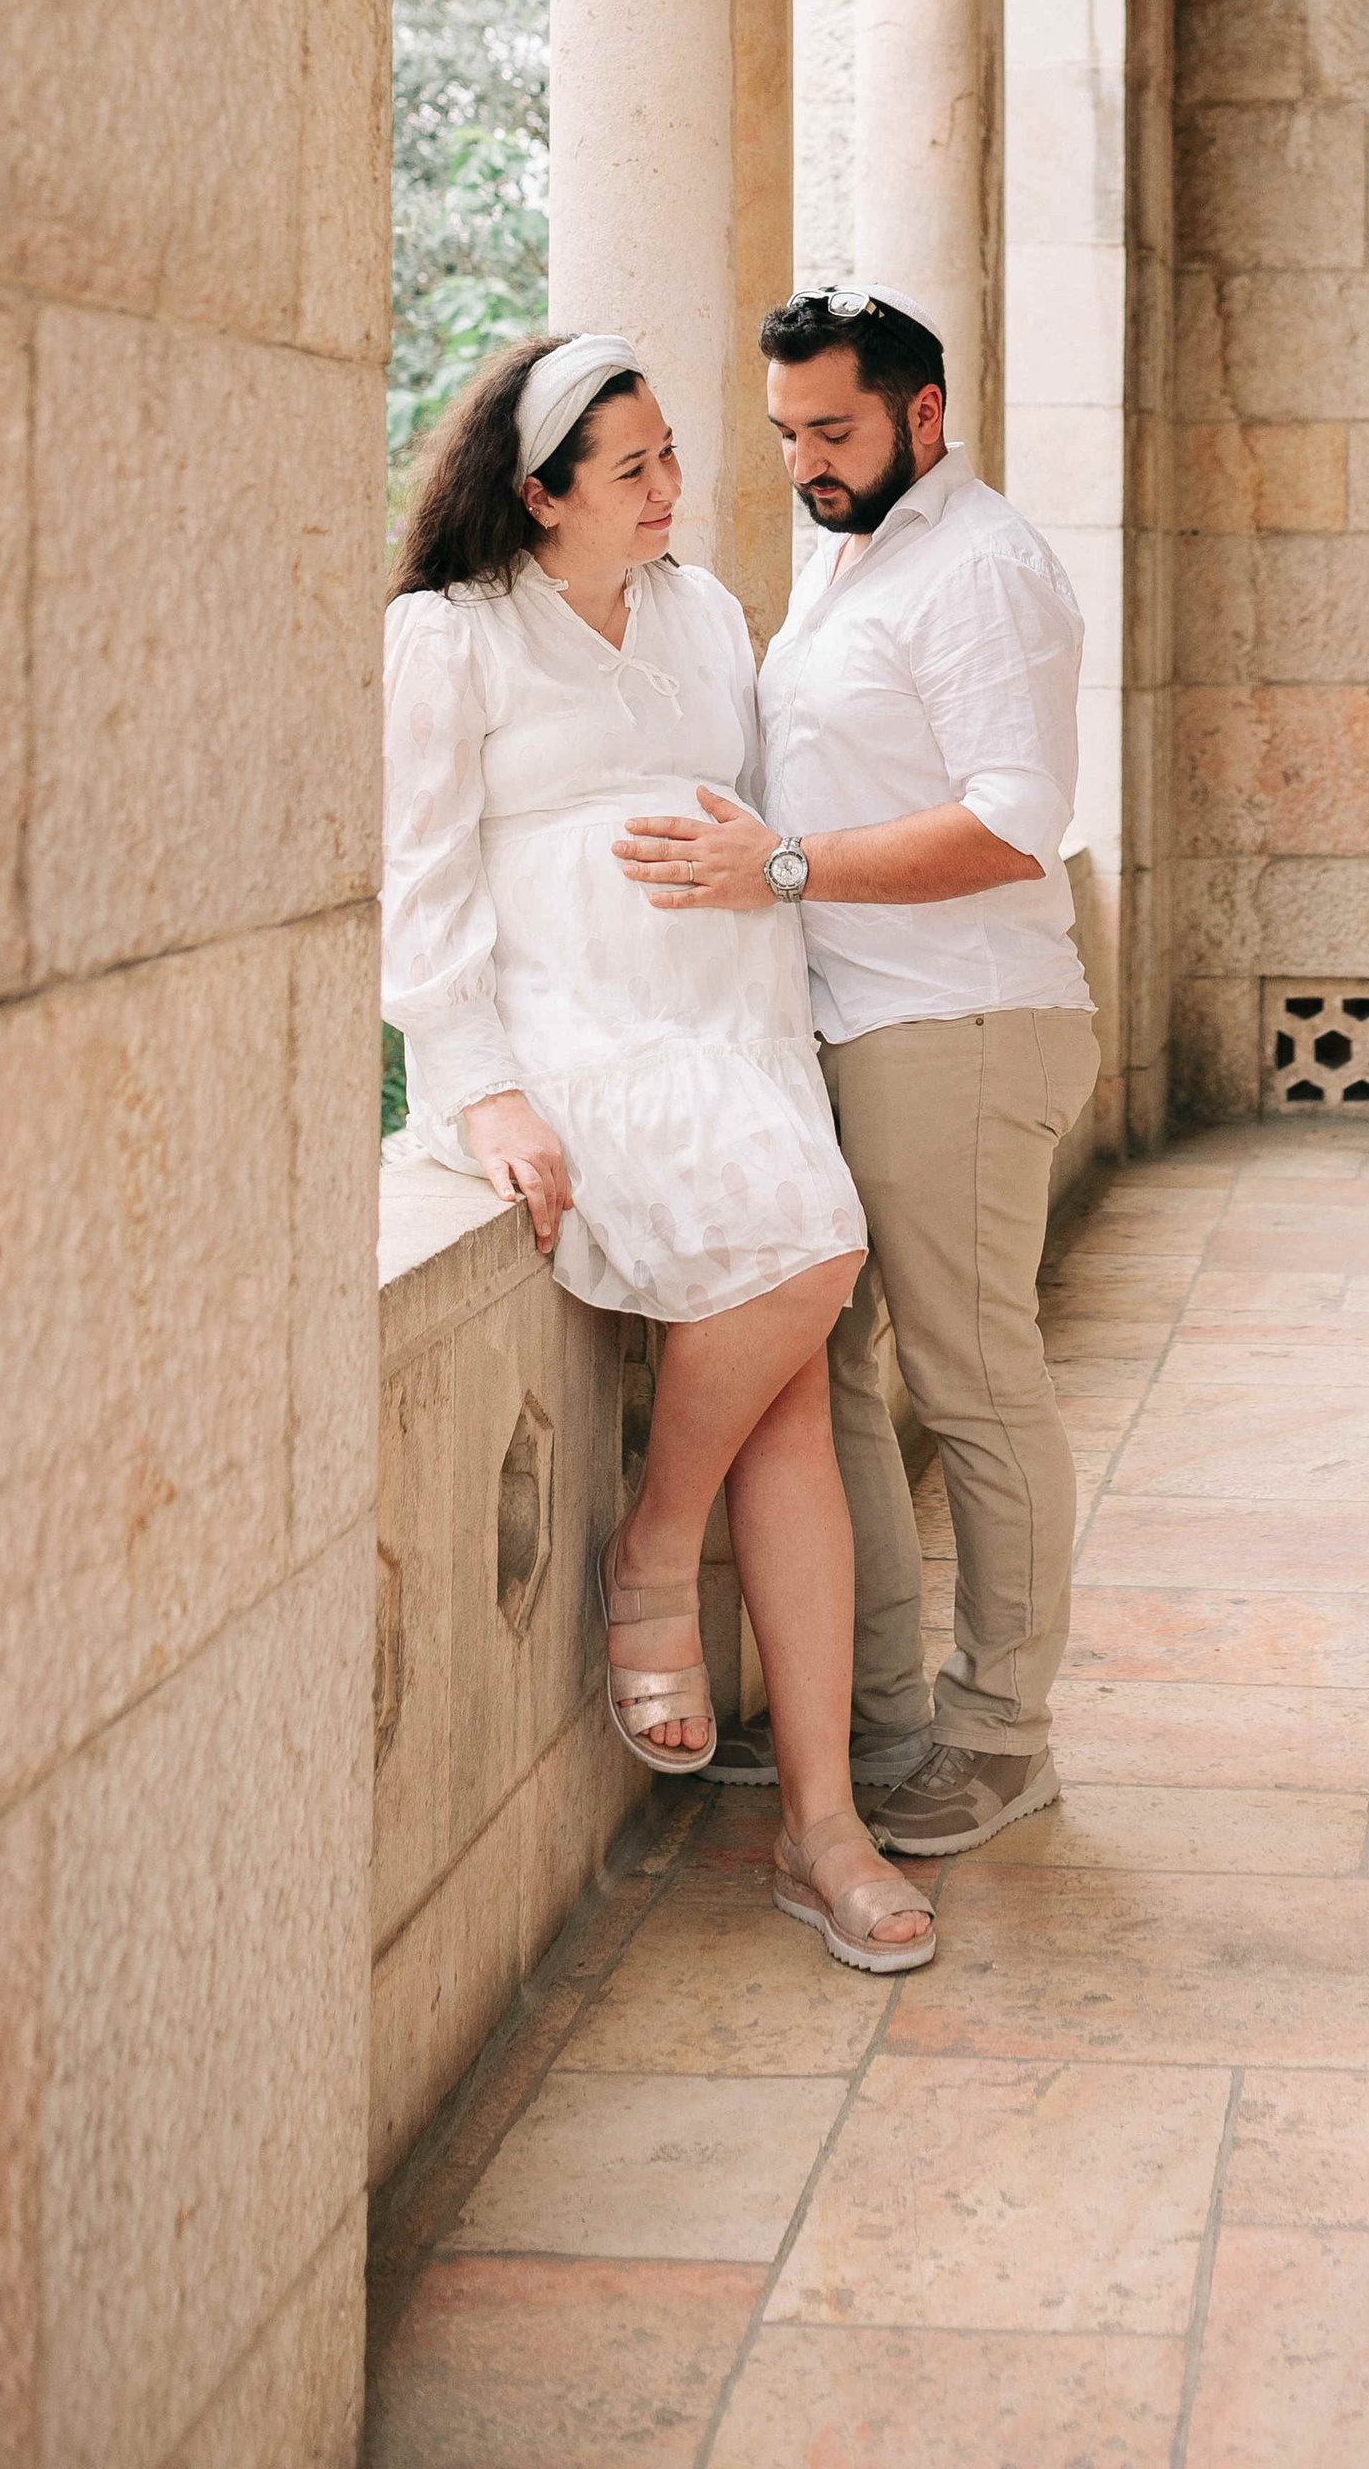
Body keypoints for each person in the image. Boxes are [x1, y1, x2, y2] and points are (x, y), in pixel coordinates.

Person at [379, 332, 934, 1974]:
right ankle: (800, 1795)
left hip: (733, 1037)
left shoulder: (706, 612)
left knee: (792, 1348)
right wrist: (480, 1088)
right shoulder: (449, 635)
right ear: (539, 495)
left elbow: (764, 818)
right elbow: (421, 887)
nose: (675, 491)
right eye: (634, 471)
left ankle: (790, 1775)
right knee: (811, 1271)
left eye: (676, 456)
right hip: (576, 1045)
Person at [613, 286, 1097, 1857]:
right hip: (856, 1027)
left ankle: (1000, 1736)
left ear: (925, 414)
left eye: (835, 428)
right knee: (843, 1381)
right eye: (784, 435)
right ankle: (875, 1721)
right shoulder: (854, 556)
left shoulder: (984, 570)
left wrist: (790, 868)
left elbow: (1017, 818)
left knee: (975, 1383)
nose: (806, 462)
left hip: (959, 1024)